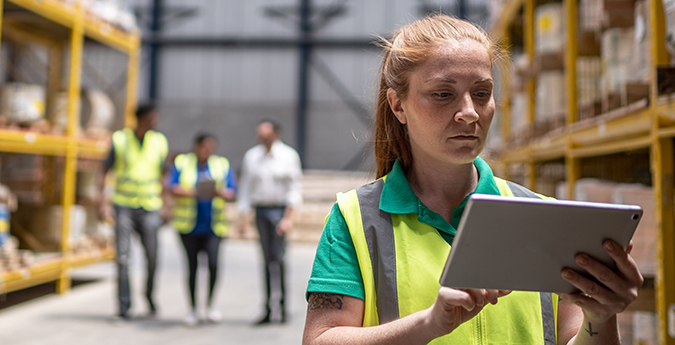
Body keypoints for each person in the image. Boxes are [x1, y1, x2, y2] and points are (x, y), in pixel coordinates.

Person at [302, 14, 643, 345]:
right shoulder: (354, 221)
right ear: (398, 105)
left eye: (481, 93)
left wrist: (601, 317)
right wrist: (429, 324)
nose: (469, 111)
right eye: (443, 94)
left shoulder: (544, 217)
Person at [100, 104, 168, 320]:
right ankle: (123, 306)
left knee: (152, 255)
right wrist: (102, 202)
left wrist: (166, 204)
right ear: (141, 118)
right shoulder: (120, 140)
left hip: (150, 206)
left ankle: (149, 297)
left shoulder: (159, 141)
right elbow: (104, 171)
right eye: (151, 118)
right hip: (123, 205)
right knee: (122, 258)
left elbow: (163, 175)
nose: (155, 122)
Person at [168, 132, 237, 326]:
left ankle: (210, 305)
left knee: (213, 265)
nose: (208, 151)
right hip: (189, 226)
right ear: (196, 146)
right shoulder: (182, 162)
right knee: (192, 268)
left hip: (214, 226)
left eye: (211, 148)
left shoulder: (221, 164)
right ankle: (192, 309)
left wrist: (219, 193)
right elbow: (171, 186)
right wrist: (194, 192)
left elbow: (232, 192)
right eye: (204, 147)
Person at [237, 120, 302, 325]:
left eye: (266, 135)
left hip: (279, 209)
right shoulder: (252, 156)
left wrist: (288, 219)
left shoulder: (288, 156)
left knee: (279, 260)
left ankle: (282, 306)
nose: (262, 139)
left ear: (275, 134)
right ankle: (267, 306)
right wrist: (243, 217)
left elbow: (294, 188)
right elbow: (246, 187)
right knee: (266, 261)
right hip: (261, 210)